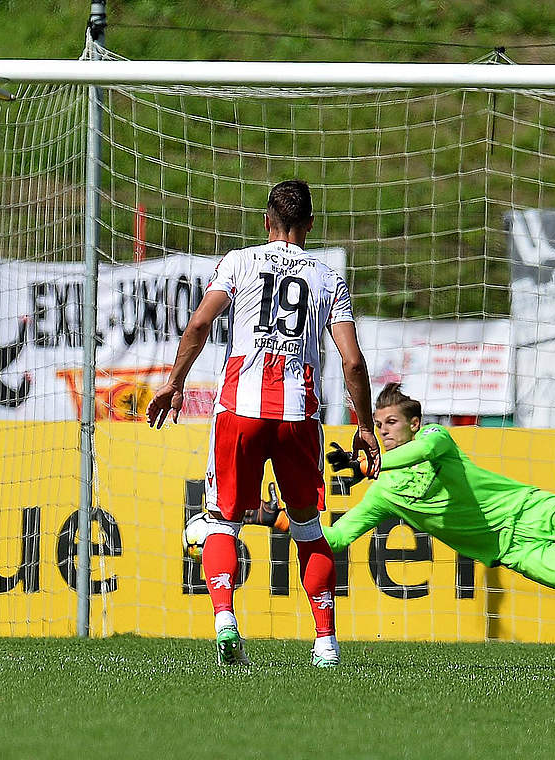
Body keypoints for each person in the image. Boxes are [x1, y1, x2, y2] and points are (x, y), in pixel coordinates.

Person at [262, 383, 555, 648]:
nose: (383, 432)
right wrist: (279, 521)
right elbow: (337, 538)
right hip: (513, 547)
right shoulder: (384, 492)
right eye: (378, 425)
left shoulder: (436, 440)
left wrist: (369, 464)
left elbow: (413, 454)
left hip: (531, 508)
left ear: (413, 423)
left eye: (391, 423)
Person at [146, 180, 380, 668]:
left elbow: (198, 324)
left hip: (240, 411)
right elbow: (353, 362)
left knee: (221, 522)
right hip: (298, 416)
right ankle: (325, 644)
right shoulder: (328, 278)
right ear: (310, 226)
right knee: (308, 528)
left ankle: (226, 620)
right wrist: (363, 426)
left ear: (266, 221)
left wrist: (173, 382)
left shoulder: (239, 262)